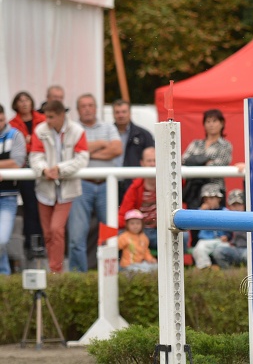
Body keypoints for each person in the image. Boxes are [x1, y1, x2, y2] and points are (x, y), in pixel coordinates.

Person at [30, 100, 89, 273]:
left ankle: (57, 271)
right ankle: (55, 269)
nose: (47, 120)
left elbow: (82, 158)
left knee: (56, 230)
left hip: (68, 189)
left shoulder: (77, 131)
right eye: (46, 116)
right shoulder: (40, 130)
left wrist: (59, 170)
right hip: (45, 188)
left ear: (62, 114)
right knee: (48, 233)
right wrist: (44, 170)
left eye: (51, 117)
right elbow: (35, 157)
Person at [68, 93, 122, 272]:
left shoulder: (108, 127)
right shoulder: (73, 129)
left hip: (107, 184)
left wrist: (87, 152)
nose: (87, 109)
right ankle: (79, 279)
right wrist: (101, 143)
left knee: (110, 232)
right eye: (83, 106)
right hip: (82, 184)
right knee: (77, 236)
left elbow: (117, 149)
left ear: (96, 108)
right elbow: (73, 151)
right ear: (78, 110)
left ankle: (111, 275)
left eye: (90, 105)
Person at [8, 91, 46, 260]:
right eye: (20, 101)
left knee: (43, 206)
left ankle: (41, 243)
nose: (24, 103)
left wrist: (31, 142)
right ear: (15, 105)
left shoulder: (43, 120)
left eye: (27, 100)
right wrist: (27, 143)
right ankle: (31, 244)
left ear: (32, 102)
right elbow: (16, 150)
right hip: (24, 170)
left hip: (43, 168)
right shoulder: (11, 125)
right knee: (30, 207)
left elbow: (45, 143)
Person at [182, 109, 233, 211]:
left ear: (222, 123)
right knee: (194, 224)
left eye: (214, 121)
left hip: (215, 192)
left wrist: (195, 161)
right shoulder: (196, 143)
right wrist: (206, 161)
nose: (211, 125)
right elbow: (184, 160)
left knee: (215, 225)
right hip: (194, 191)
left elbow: (219, 165)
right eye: (208, 121)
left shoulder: (225, 145)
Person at [0, 105, 27, 274]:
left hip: (7, 196)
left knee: (1, 240)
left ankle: (4, 276)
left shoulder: (15, 134)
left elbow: (17, 162)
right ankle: (4, 278)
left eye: (1, 120)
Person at [111, 99, 155, 204]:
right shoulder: (107, 133)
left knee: (132, 217)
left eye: (124, 112)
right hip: (110, 183)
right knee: (110, 216)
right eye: (117, 112)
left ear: (130, 113)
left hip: (134, 184)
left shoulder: (143, 134)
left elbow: (153, 158)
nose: (121, 115)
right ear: (113, 114)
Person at [118, 147, 161, 250]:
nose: (152, 164)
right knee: (121, 236)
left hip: (163, 230)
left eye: (155, 160)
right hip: (140, 231)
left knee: (183, 236)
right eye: (149, 161)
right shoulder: (135, 187)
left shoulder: (170, 184)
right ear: (142, 163)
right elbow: (123, 215)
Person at [191, 183, 227, 269]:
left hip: (220, 240)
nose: (208, 201)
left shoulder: (225, 211)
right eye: (205, 199)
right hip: (205, 240)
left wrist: (227, 236)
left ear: (219, 199)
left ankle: (225, 270)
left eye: (211, 198)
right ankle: (206, 269)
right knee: (198, 250)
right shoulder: (201, 211)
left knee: (225, 250)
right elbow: (193, 224)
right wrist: (201, 212)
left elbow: (231, 228)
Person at [211, 189, 247, 268]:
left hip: (248, 249)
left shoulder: (251, 217)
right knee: (218, 252)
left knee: (248, 256)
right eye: (234, 205)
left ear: (244, 205)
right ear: (230, 206)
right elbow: (227, 234)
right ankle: (230, 274)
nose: (236, 208)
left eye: (239, 204)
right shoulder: (229, 218)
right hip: (235, 249)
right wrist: (226, 237)